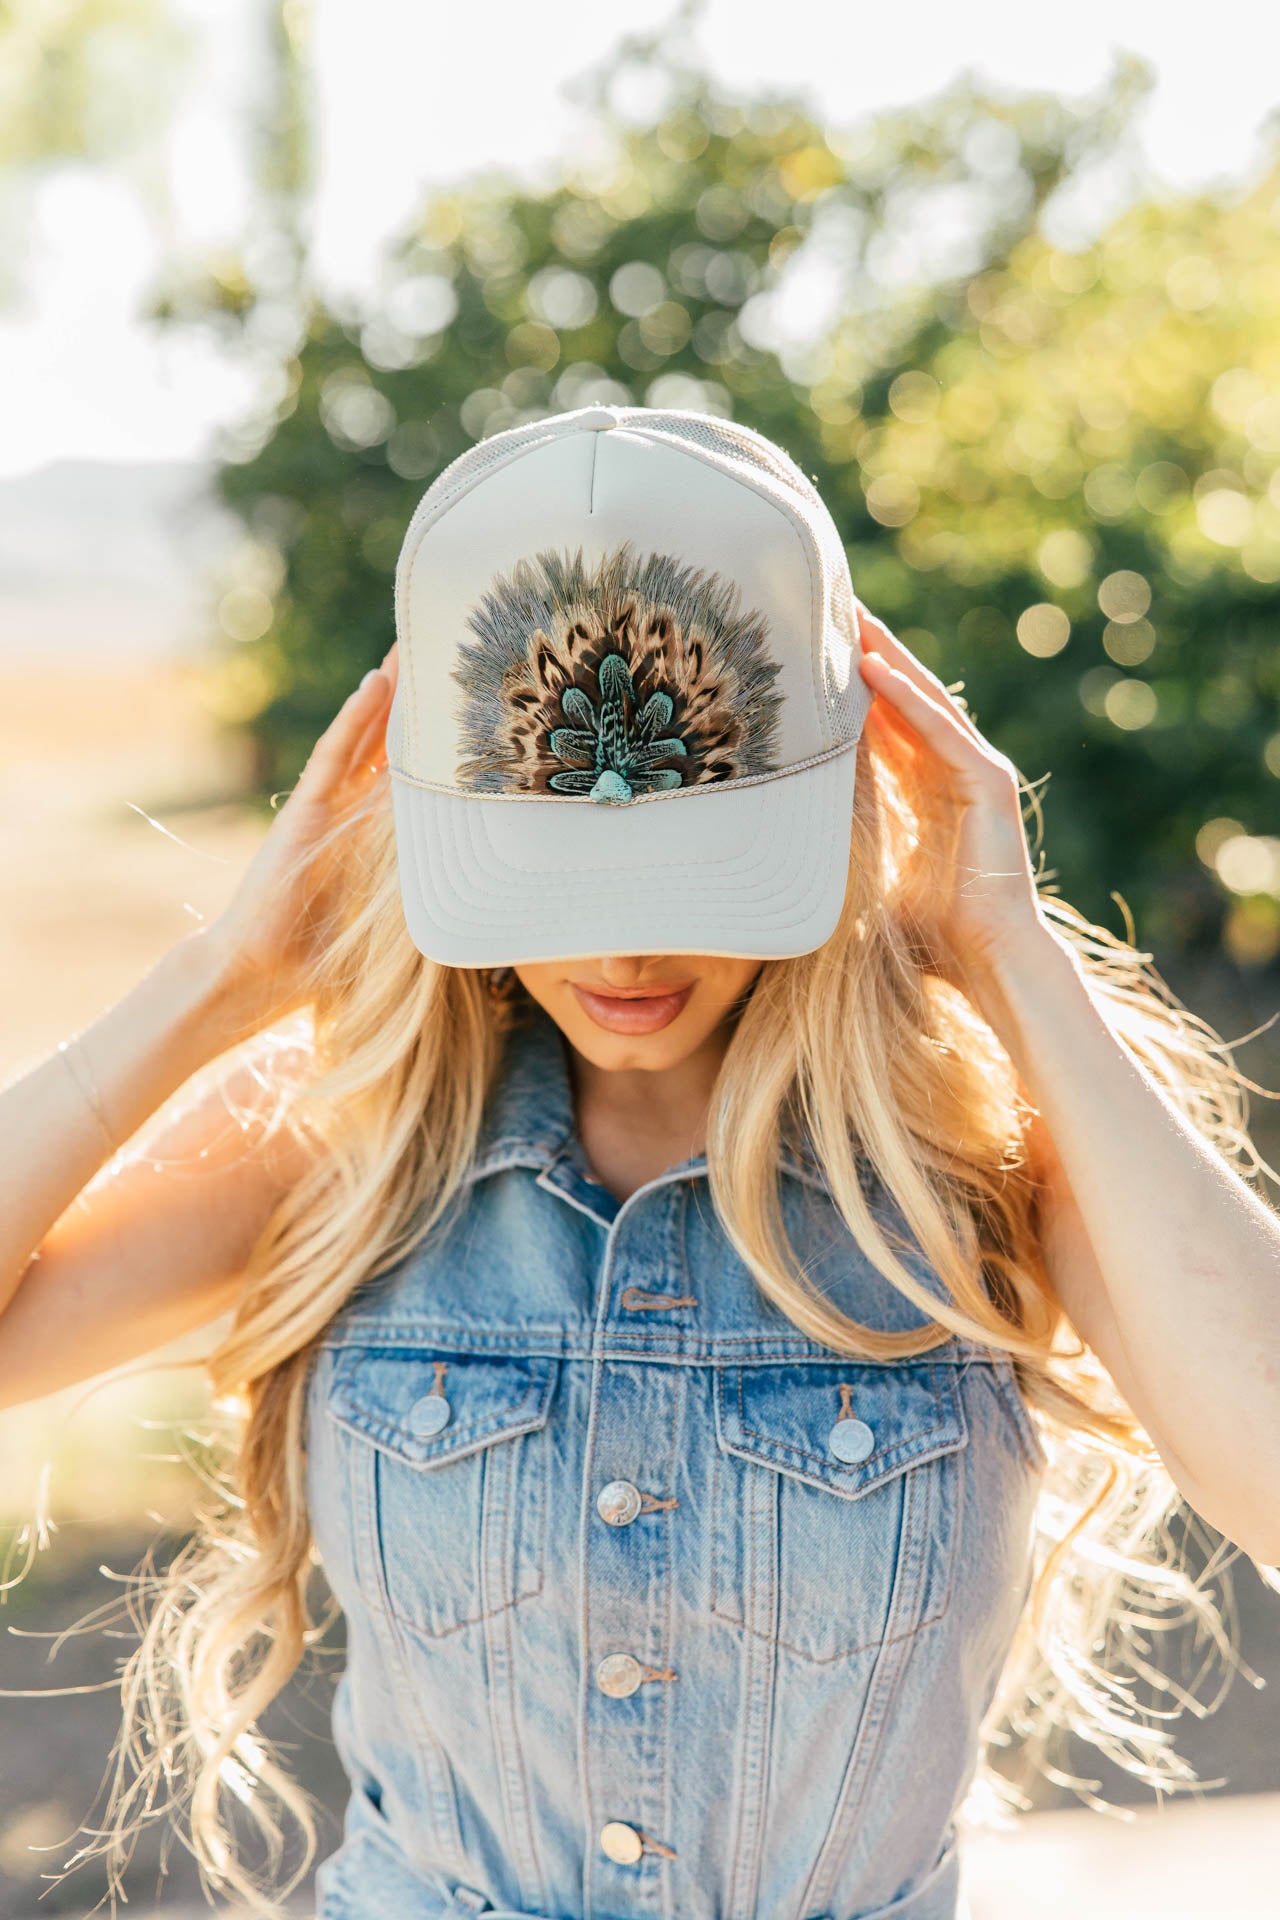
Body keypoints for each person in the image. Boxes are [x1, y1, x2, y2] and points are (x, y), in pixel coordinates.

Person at [2, 405, 1278, 1920]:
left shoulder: (974, 1165)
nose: (622, 948)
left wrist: (1006, 954)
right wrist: (224, 973)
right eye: (557, 877)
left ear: (838, 803)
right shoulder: (348, 1142)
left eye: (694, 868)